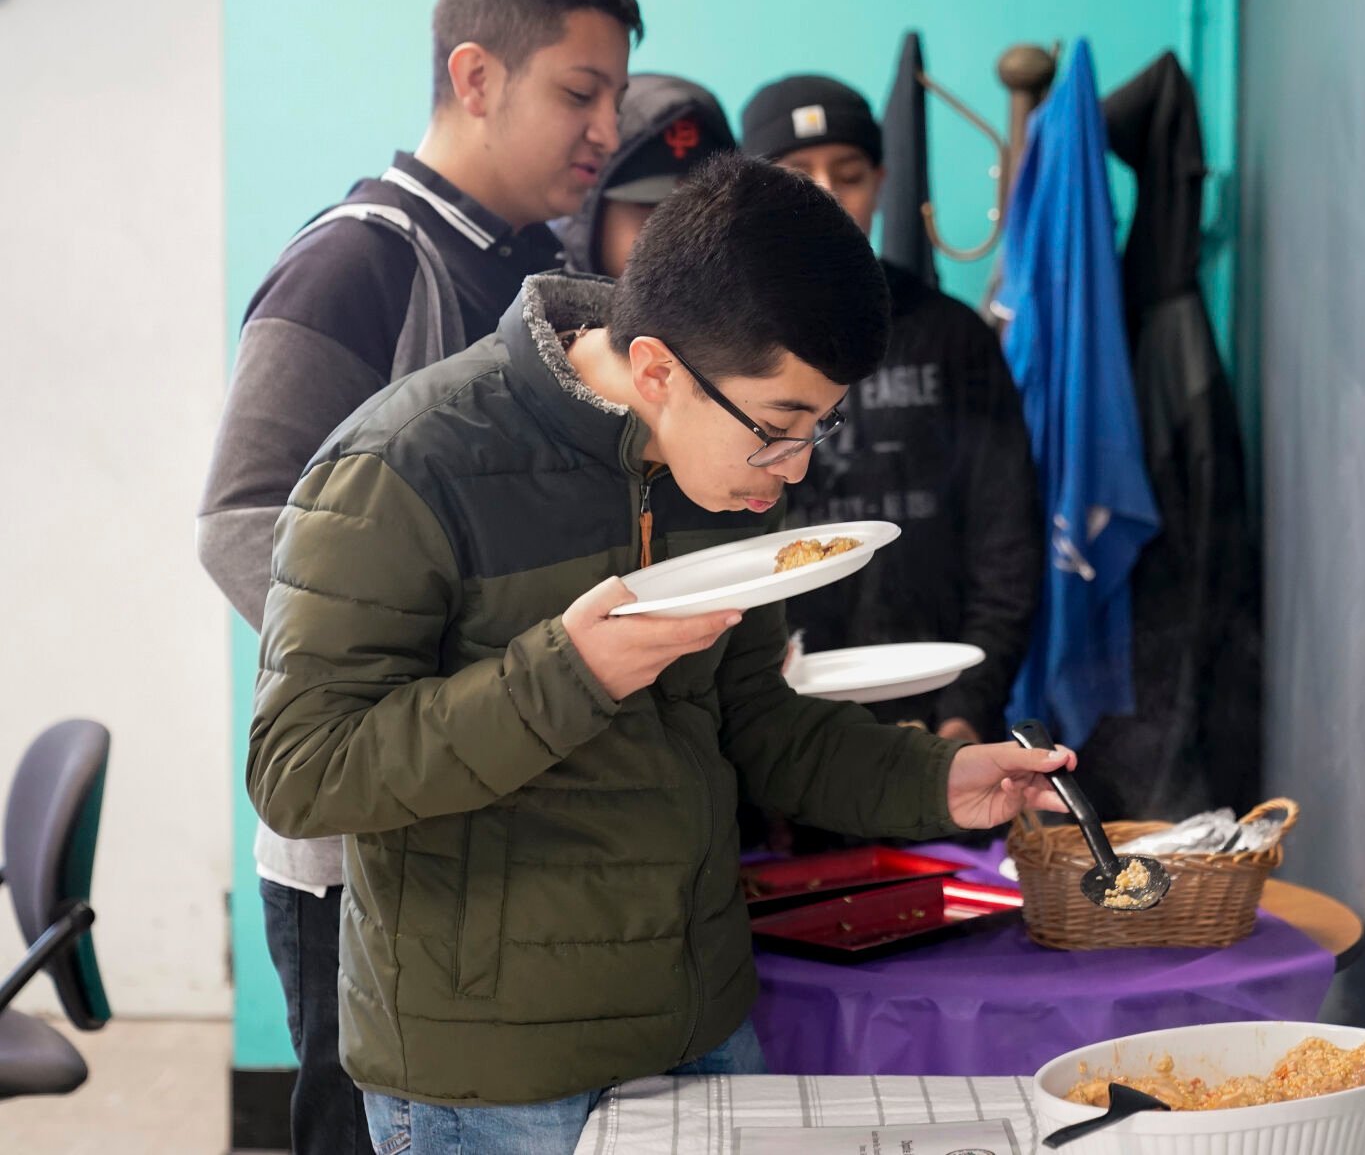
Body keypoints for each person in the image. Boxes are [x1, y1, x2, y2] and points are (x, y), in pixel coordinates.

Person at [246, 152, 1078, 1155]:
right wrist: (567, 675)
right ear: (655, 371)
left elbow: (756, 723)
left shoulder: (718, 473)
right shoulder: (403, 465)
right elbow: (300, 771)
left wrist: (939, 779)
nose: (793, 470)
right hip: (492, 1082)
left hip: (701, 1031)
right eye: (777, 428)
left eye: (817, 426)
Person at [195, 0, 640, 1150]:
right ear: (476, 77)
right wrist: (450, 697)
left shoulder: (545, 271)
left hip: (509, 820)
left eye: (615, 97)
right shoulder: (357, 264)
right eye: (581, 93)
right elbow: (238, 518)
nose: (607, 130)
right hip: (368, 851)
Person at [739, 75, 1042, 749]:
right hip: (775, 725)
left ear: (879, 182)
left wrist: (968, 707)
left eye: (848, 175)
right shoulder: (725, 349)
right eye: (798, 177)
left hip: (940, 712)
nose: (826, 194)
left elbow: (1006, 541)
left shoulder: (951, 337)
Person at [560, 72, 736, 276]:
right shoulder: (539, 293)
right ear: (591, 215)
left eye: (702, 210)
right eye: (650, 208)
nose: (679, 235)